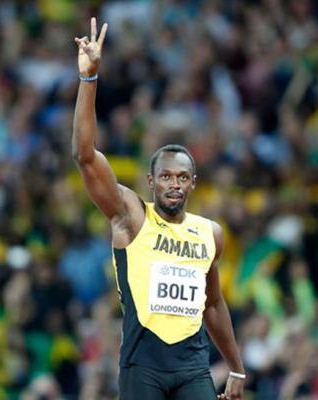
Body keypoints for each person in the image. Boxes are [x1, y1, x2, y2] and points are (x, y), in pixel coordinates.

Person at [72, 17, 245, 400]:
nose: (174, 184)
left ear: (192, 183)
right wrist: (89, 80)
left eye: (182, 178)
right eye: (165, 177)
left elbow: (213, 305)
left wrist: (235, 366)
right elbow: (85, 157)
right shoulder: (132, 216)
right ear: (151, 182)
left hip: (193, 368)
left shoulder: (208, 233)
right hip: (142, 368)